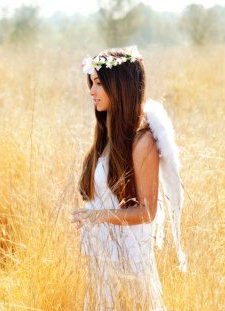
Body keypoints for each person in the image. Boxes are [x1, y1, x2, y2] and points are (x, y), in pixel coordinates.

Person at [71, 46, 186, 310]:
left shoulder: (142, 141)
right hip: (104, 258)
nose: (92, 91)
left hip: (130, 261)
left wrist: (101, 216)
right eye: (91, 83)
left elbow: (148, 211)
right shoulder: (107, 136)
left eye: (99, 83)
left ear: (120, 86)